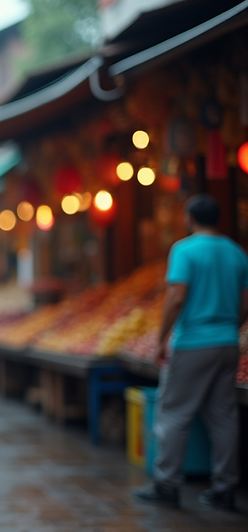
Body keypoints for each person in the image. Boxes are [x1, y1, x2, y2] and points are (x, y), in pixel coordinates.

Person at [134, 194, 245, 511]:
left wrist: (161, 337)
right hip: (228, 343)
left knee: (173, 415)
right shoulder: (238, 253)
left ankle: (166, 484)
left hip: (192, 342)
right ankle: (225, 488)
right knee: (224, 417)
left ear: (189, 218)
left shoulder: (184, 250)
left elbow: (177, 296)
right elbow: (245, 303)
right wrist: (228, 328)